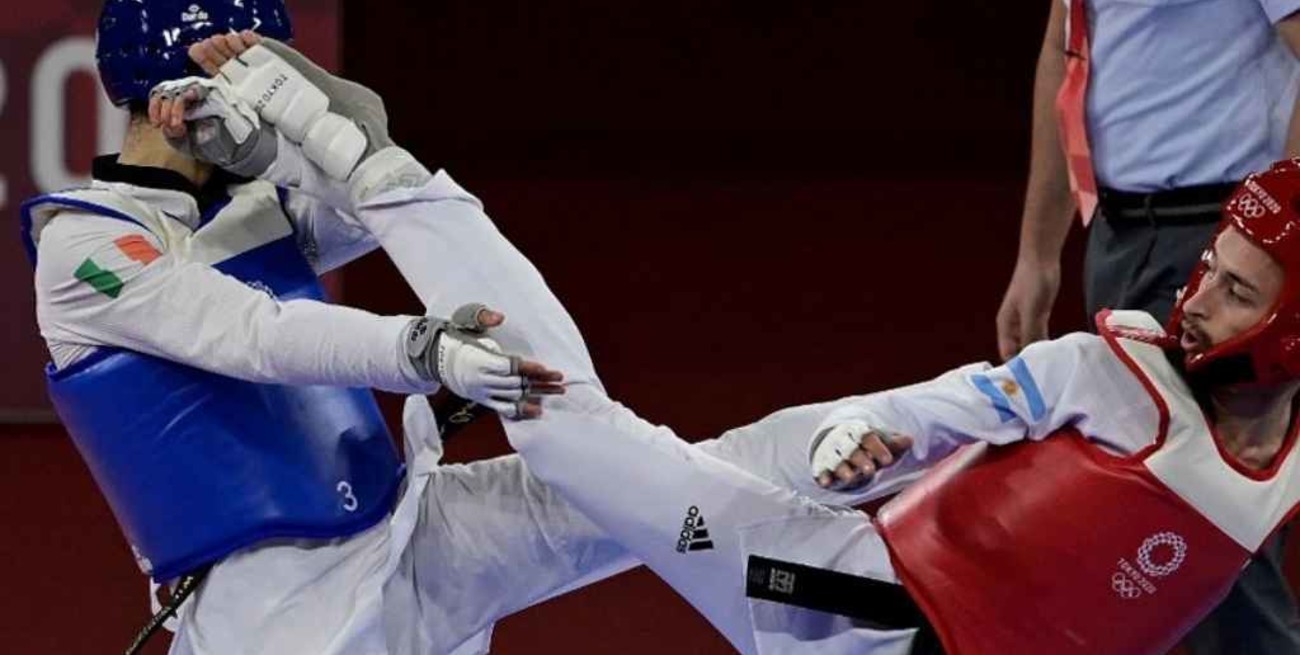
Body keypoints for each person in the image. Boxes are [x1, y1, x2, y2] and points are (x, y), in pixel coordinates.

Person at [25, 3, 911, 654]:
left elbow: (394, 198)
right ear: (173, 98)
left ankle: (906, 505)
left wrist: (295, 142)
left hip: (410, 527)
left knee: (651, 483)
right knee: (636, 485)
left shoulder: (253, 201)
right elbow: (258, 333)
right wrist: (422, 349)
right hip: (280, 609)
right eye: (247, 72)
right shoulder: (84, 247)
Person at [504, 160, 1300, 655]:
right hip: (822, 596)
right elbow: (930, 410)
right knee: (586, 448)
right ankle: (434, 239)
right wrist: (861, 434)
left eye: (1236, 291)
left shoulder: (1285, 474)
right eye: (1207, 267)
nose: (1197, 300)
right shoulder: (1105, 373)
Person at [995, 1, 1300, 650]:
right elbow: (1065, 49)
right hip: (1118, 234)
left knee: (1210, 537)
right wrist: (1038, 252)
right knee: (1134, 527)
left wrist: (1282, 244)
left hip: (1221, 240)